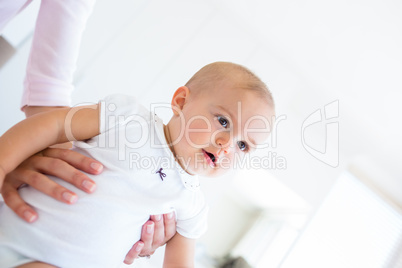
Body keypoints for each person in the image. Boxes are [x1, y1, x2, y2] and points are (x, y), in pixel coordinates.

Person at [0, 61, 275, 267]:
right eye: (223, 122)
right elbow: (56, 125)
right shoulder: (129, 117)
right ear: (181, 101)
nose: (227, 144)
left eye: (243, 145)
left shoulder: (192, 205)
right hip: (12, 225)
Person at [0, 0, 176, 263]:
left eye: (243, 145)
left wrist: (45, 158)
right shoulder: (131, 116)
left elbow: (48, 88)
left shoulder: (187, 197)